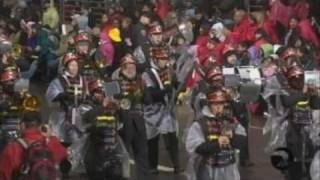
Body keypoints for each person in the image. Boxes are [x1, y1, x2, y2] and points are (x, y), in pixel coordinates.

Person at [140, 25, 182, 174]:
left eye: (166, 59)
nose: (165, 62)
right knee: (153, 139)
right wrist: (165, 90)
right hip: (152, 110)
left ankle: (176, 165)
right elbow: (150, 94)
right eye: (162, 60)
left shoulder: (169, 69)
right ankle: (152, 166)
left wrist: (178, 89)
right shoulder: (147, 71)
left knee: (171, 137)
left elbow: (177, 83)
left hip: (167, 108)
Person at [186, 88, 240, 180]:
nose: (219, 107)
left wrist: (233, 136)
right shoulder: (200, 124)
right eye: (215, 104)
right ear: (209, 105)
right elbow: (196, 147)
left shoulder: (230, 121)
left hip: (229, 168)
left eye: (221, 103)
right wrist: (217, 143)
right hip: (208, 168)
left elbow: (242, 141)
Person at [112, 53, 150, 180]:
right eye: (127, 65)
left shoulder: (141, 81)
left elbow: (148, 101)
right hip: (122, 123)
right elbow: (107, 103)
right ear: (122, 67)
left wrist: (145, 92)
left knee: (142, 156)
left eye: (133, 65)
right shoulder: (113, 82)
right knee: (121, 156)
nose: (131, 68)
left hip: (139, 122)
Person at [0, 111, 67, 180]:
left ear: (22, 125)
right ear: (41, 126)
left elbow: (4, 174)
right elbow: (64, 153)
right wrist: (51, 136)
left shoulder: (12, 148)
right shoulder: (51, 143)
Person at [83, 79, 129, 180]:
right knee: (96, 173)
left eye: (104, 93)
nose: (103, 96)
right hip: (95, 150)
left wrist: (119, 107)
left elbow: (124, 121)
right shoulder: (87, 107)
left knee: (116, 175)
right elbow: (91, 124)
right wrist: (102, 107)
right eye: (99, 92)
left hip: (113, 149)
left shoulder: (112, 107)